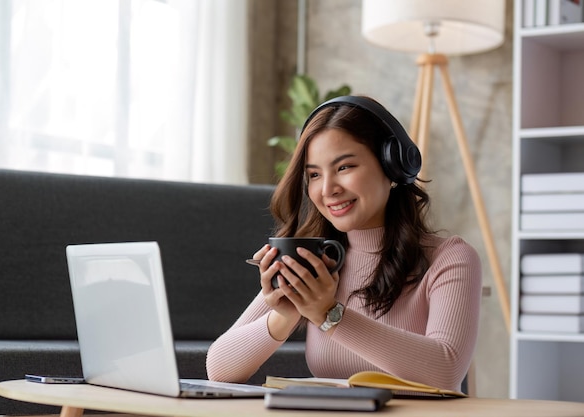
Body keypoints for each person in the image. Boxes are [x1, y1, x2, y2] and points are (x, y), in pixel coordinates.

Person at [206, 95, 482, 392]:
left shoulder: (450, 258)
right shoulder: (313, 261)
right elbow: (218, 369)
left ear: (392, 168)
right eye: (314, 174)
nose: (327, 190)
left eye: (344, 167)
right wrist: (282, 318)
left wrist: (329, 314)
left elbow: (445, 371)